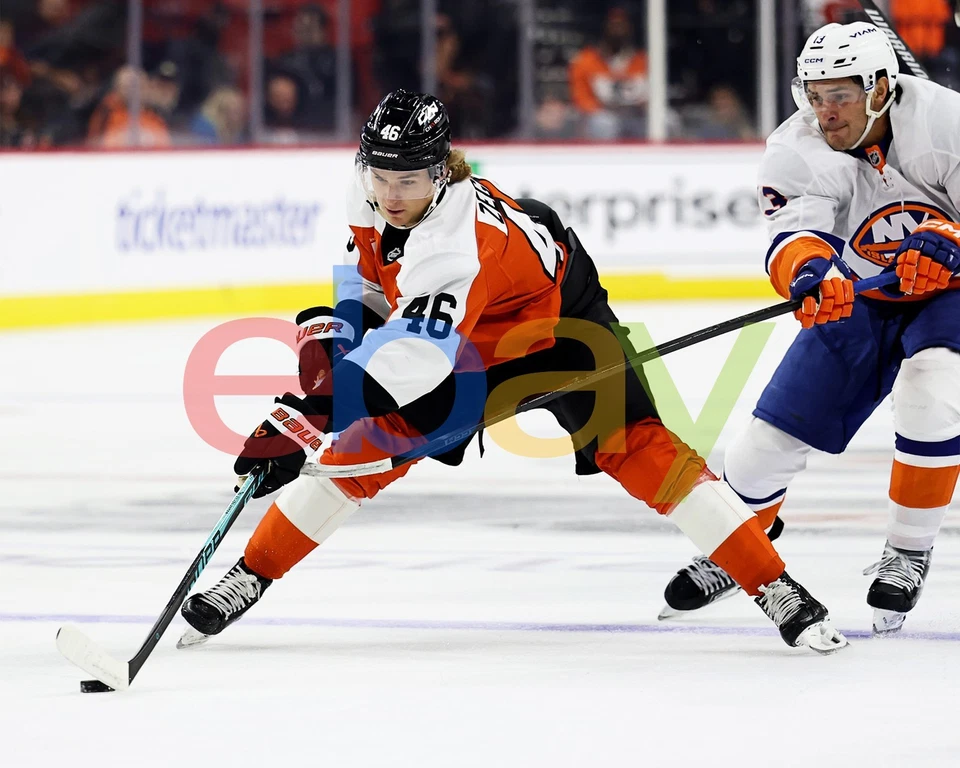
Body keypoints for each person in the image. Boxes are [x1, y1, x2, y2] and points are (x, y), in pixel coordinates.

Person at [177, 89, 848, 654]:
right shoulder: (372, 187)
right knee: (365, 450)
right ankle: (249, 577)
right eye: (379, 176)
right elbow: (371, 278)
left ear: (440, 172)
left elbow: (411, 362)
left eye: (407, 180)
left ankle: (774, 584)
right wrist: (336, 344)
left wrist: (307, 414)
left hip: (558, 326)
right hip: (471, 331)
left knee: (642, 451)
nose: (389, 193)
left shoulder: (456, 244)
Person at [659, 21, 960, 635]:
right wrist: (809, 272)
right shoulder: (794, 146)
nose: (825, 111)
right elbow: (792, 234)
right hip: (860, 289)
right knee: (766, 440)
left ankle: (908, 550)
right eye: (815, 94)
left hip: (950, 292)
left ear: (880, 88)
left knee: (932, 390)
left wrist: (953, 242)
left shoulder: (945, 122)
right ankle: (740, 544)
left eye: (841, 95)